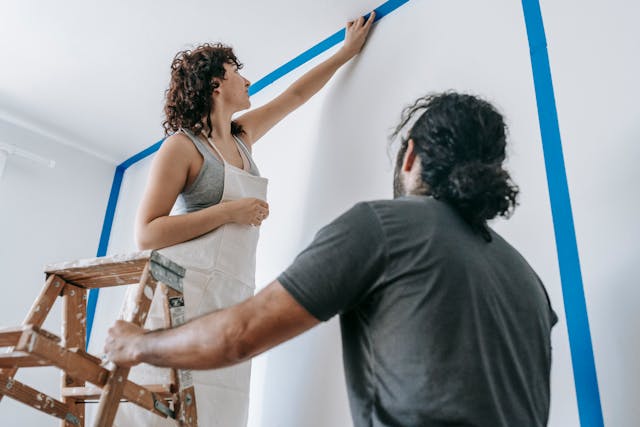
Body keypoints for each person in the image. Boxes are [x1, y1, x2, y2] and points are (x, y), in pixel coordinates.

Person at [106, 92, 558, 427]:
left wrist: (137, 344)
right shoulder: (528, 281)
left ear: (412, 155)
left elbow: (238, 336)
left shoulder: (383, 226)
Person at [112, 12, 376, 427]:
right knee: (157, 406)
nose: (247, 81)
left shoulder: (242, 136)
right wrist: (229, 211)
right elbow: (147, 232)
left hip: (228, 295)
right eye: (238, 72)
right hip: (177, 296)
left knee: (219, 405)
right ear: (216, 85)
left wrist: (345, 53)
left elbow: (294, 96)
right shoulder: (181, 147)